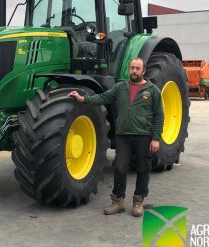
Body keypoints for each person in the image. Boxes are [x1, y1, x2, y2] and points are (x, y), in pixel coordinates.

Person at [68, 57, 164, 217]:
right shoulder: (120, 87)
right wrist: (83, 98)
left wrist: (156, 138)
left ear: (144, 70)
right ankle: (118, 201)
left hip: (143, 135)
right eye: (132, 68)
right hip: (123, 136)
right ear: (129, 69)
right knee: (120, 167)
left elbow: (159, 116)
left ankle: (138, 201)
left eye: (137, 68)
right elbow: (103, 98)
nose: (134, 71)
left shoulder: (152, 91)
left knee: (142, 168)